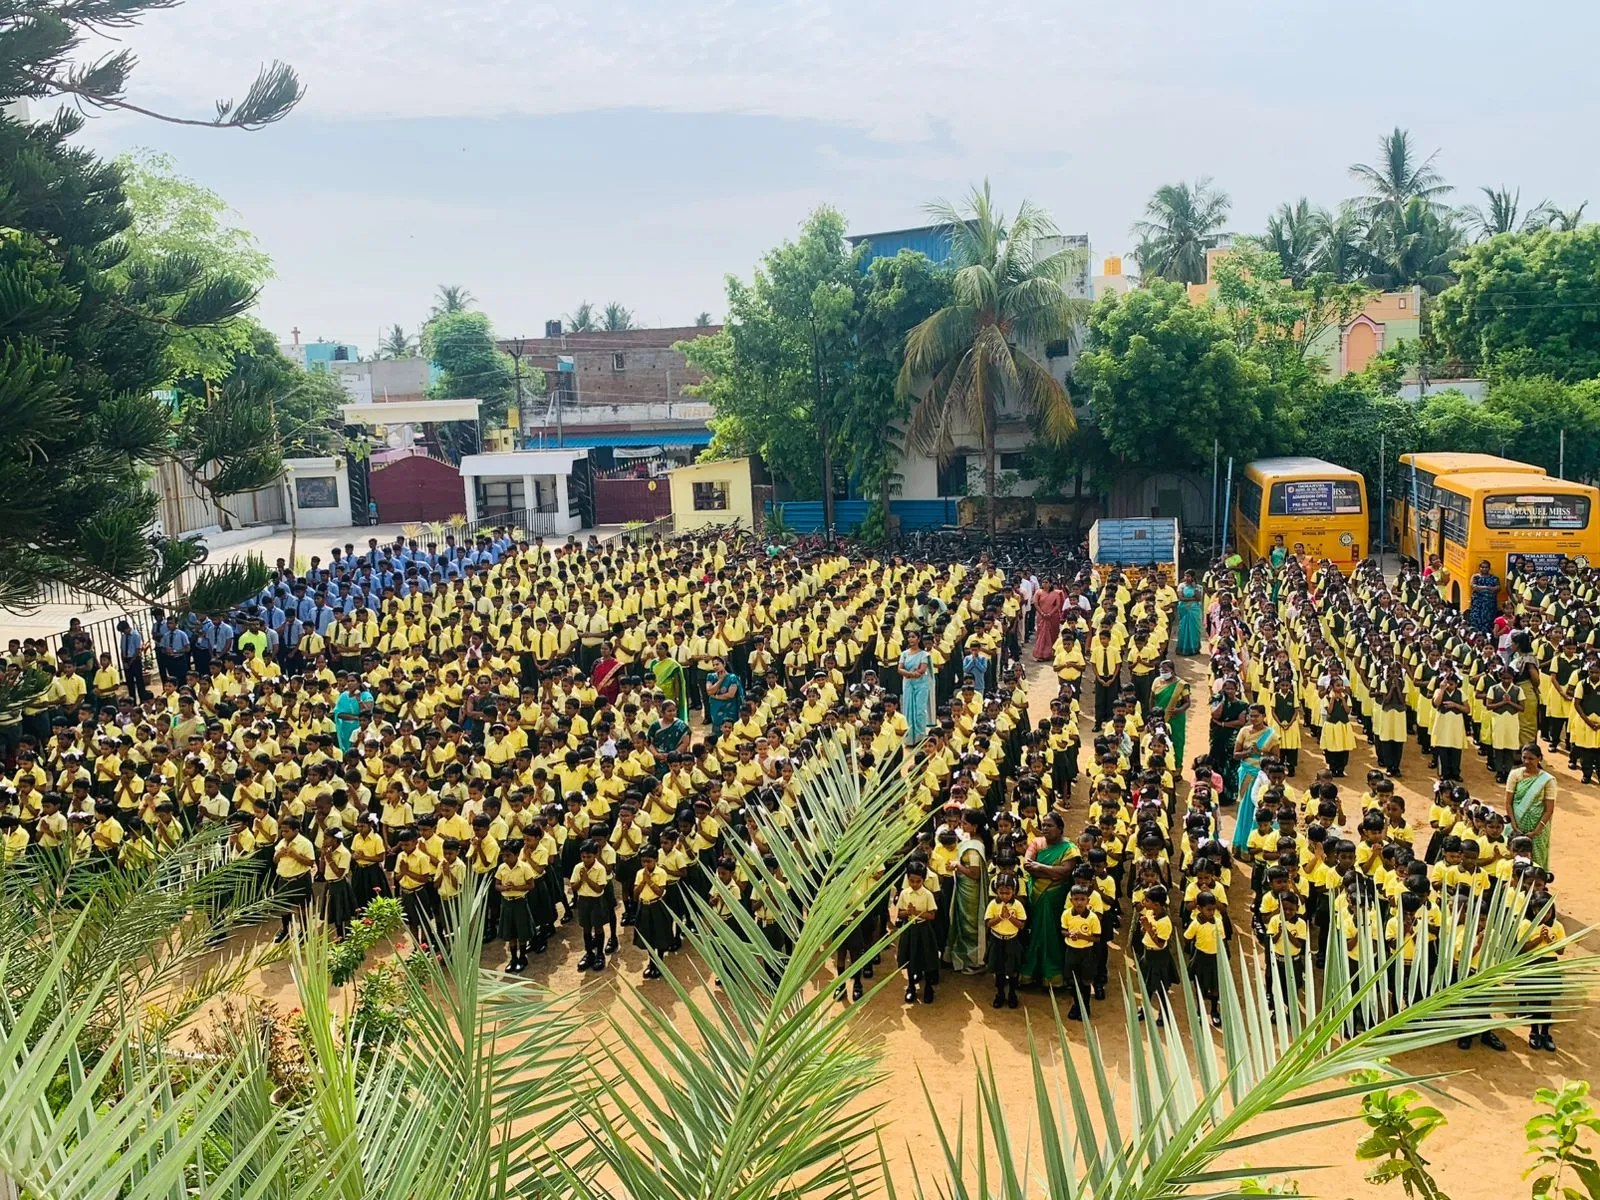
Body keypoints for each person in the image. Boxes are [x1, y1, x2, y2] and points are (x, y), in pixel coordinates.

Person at [1018, 813, 1076, 989]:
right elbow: (1027, 865)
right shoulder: (1036, 842)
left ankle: (1052, 975)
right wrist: (1051, 871)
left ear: (1060, 829)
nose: (1044, 828)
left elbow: (1065, 872)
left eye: (1049, 825)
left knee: (1052, 933)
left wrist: (1040, 867)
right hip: (1035, 896)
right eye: (1043, 825)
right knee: (1035, 931)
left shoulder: (1070, 848)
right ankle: (1030, 973)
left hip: (1056, 898)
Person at [946, 809, 989, 975]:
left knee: (970, 925)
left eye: (965, 823)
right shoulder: (972, 840)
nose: (961, 825)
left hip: (970, 891)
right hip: (965, 888)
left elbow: (975, 873)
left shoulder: (973, 849)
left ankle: (976, 960)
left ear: (974, 826)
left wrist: (957, 866)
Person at [1504, 743, 1556, 870]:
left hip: (1538, 827)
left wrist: (1536, 831)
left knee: (1537, 859)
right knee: (1514, 857)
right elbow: (1508, 802)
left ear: (1540, 759)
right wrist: (1514, 825)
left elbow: (1549, 809)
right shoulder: (1515, 774)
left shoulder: (1548, 780)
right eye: (1524, 758)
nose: (1527, 761)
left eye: (1531, 759)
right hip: (1517, 822)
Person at [894, 860, 939, 1005]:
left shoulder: (927, 895)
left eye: (918, 881)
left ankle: (928, 988)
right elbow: (900, 914)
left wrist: (917, 913)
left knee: (926, 957)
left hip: (924, 929)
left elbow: (932, 915)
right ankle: (911, 987)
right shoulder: (904, 894)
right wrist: (908, 912)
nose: (914, 884)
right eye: (911, 881)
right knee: (908, 957)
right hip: (910, 928)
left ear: (923, 880)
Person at [570, 838, 614, 973]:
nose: (586, 859)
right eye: (583, 856)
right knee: (586, 928)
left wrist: (586, 879)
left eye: (589, 856)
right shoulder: (578, 867)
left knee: (598, 928)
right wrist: (580, 881)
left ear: (595, 855)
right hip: (583, 901)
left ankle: (599, 954)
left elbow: (599, 889)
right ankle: (589, 953)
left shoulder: (600, 869)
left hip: (596, 902)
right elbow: (574, 887)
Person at [984, 873, 1026, 1009]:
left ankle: (1012, 994)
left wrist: (1009, 917)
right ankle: (1000, 994)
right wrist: (1000, 917)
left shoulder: (1018, 905)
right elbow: (988, 923)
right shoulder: (993, 904)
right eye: (1001, 893)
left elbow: (1021, 925)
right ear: (997, 891)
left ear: (1013, 891)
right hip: (997, 941)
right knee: (999, 970)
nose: (1004, 896)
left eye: (1007, 893)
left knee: (1013, 971)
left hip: (1012, 941)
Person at [1060, 884, 1100, 1021]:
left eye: (1082, 899)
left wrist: (1082, 937)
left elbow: (1097, 937)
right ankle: (1076, 1005)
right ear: (1071, 900)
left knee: (1085, 982)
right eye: (1076, 899)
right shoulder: (1066, 914)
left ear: (1087, 901)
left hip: (1086, 953)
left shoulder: (1092, 918)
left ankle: (1086, 1006)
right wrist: (1069, 934)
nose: (1079, 902)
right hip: (1071, 952)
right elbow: (1063, 930)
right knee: (1073, 981)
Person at [1152, 660, 1190, 767]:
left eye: (1166, 670)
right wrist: (1152, 714)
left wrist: (1179, 710)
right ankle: (1159, 766)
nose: (1163, 672)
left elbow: (1187, 702)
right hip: (1158, 718)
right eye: (1161, 670)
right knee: (1158, 742)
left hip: (1176, 718)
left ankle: (1177, 768)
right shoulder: (1156, 681)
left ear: (1172, 671)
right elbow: (1152, 699)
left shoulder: (1181, 685)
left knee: (1177, 742)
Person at [898, 631, 933, 744]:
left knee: (919, 710)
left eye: (913, 637)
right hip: (908, 684)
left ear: (918, 639)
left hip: (921, 685)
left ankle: (920, 737)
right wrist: (911, 674)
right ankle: (909, 739)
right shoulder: (904, 654)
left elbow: (922, 670)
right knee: (908, 709)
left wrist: (910, 674)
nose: (911, 639)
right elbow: (899, 669)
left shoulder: (924, 654)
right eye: (909, 637)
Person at [704, 656, 743, 732]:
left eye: (717, 664)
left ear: (724, 664)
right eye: (713, 665)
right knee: (717, 729)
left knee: (730, 729)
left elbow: (730, 694)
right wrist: (721, 679)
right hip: (716, 709)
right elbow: (709, 691)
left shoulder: (732, 677)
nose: (715, 667)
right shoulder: (710, 677)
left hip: (730, 709)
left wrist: (716, 696)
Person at [1032, 578, 1066, 661]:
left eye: (1046, 582)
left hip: (1053, 616)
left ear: (1050, 584)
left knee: (1052, 634)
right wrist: (1042, 613)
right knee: (1042, 634)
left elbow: (1057, 605)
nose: (1044, 584)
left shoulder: (1056, 593)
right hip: (1041, 616)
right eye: (1043, 582)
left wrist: (1050, 613)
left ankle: (1051, 652)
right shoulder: (1038, 592)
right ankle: (1041, 654)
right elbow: (1036, 604)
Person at [1175, 570, 1204, 657]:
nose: (1186, 578)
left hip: (1194, 610)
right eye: (1185, 576)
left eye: (1188, 576)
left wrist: (1194, 588)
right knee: (1183, 628)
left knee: (1195, 629)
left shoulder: (1198, 587)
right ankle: (1183, 649)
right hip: (1183, 609)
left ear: (1193, 577)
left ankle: (1194, 649)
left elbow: (1198, 598)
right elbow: (1181, 598)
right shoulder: (1181, 586)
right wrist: (1193, 598)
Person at [1468, 559, 1500, 635]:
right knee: (1476, 622)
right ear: (1479, 568)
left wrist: (1482, 588)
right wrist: (1488, 588)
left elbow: (1498, 587)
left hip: (1489, 605)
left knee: (1489, 622)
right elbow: (1474, 586)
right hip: (1477, 605)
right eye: (1482, 567)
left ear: (1489, 568)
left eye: (1486, 567)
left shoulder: (1494, 578)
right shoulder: (1475, 577)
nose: (1484, 569)